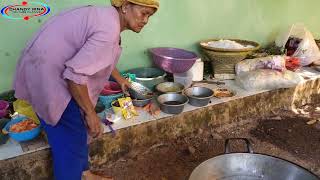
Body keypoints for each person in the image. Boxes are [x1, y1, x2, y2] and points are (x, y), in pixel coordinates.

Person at [13, 0, 159, 179]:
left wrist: (120, 79)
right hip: (49, 76)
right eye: (143, 13)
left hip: (42, 68)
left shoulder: (106, 18)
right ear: (125, 7)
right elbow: (74, 78)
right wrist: (91, 114)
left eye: (149, 16)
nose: (145, 20)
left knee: (74, 133)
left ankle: (85, 174)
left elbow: (97, 55)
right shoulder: (108, 30)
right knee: (70, 141)